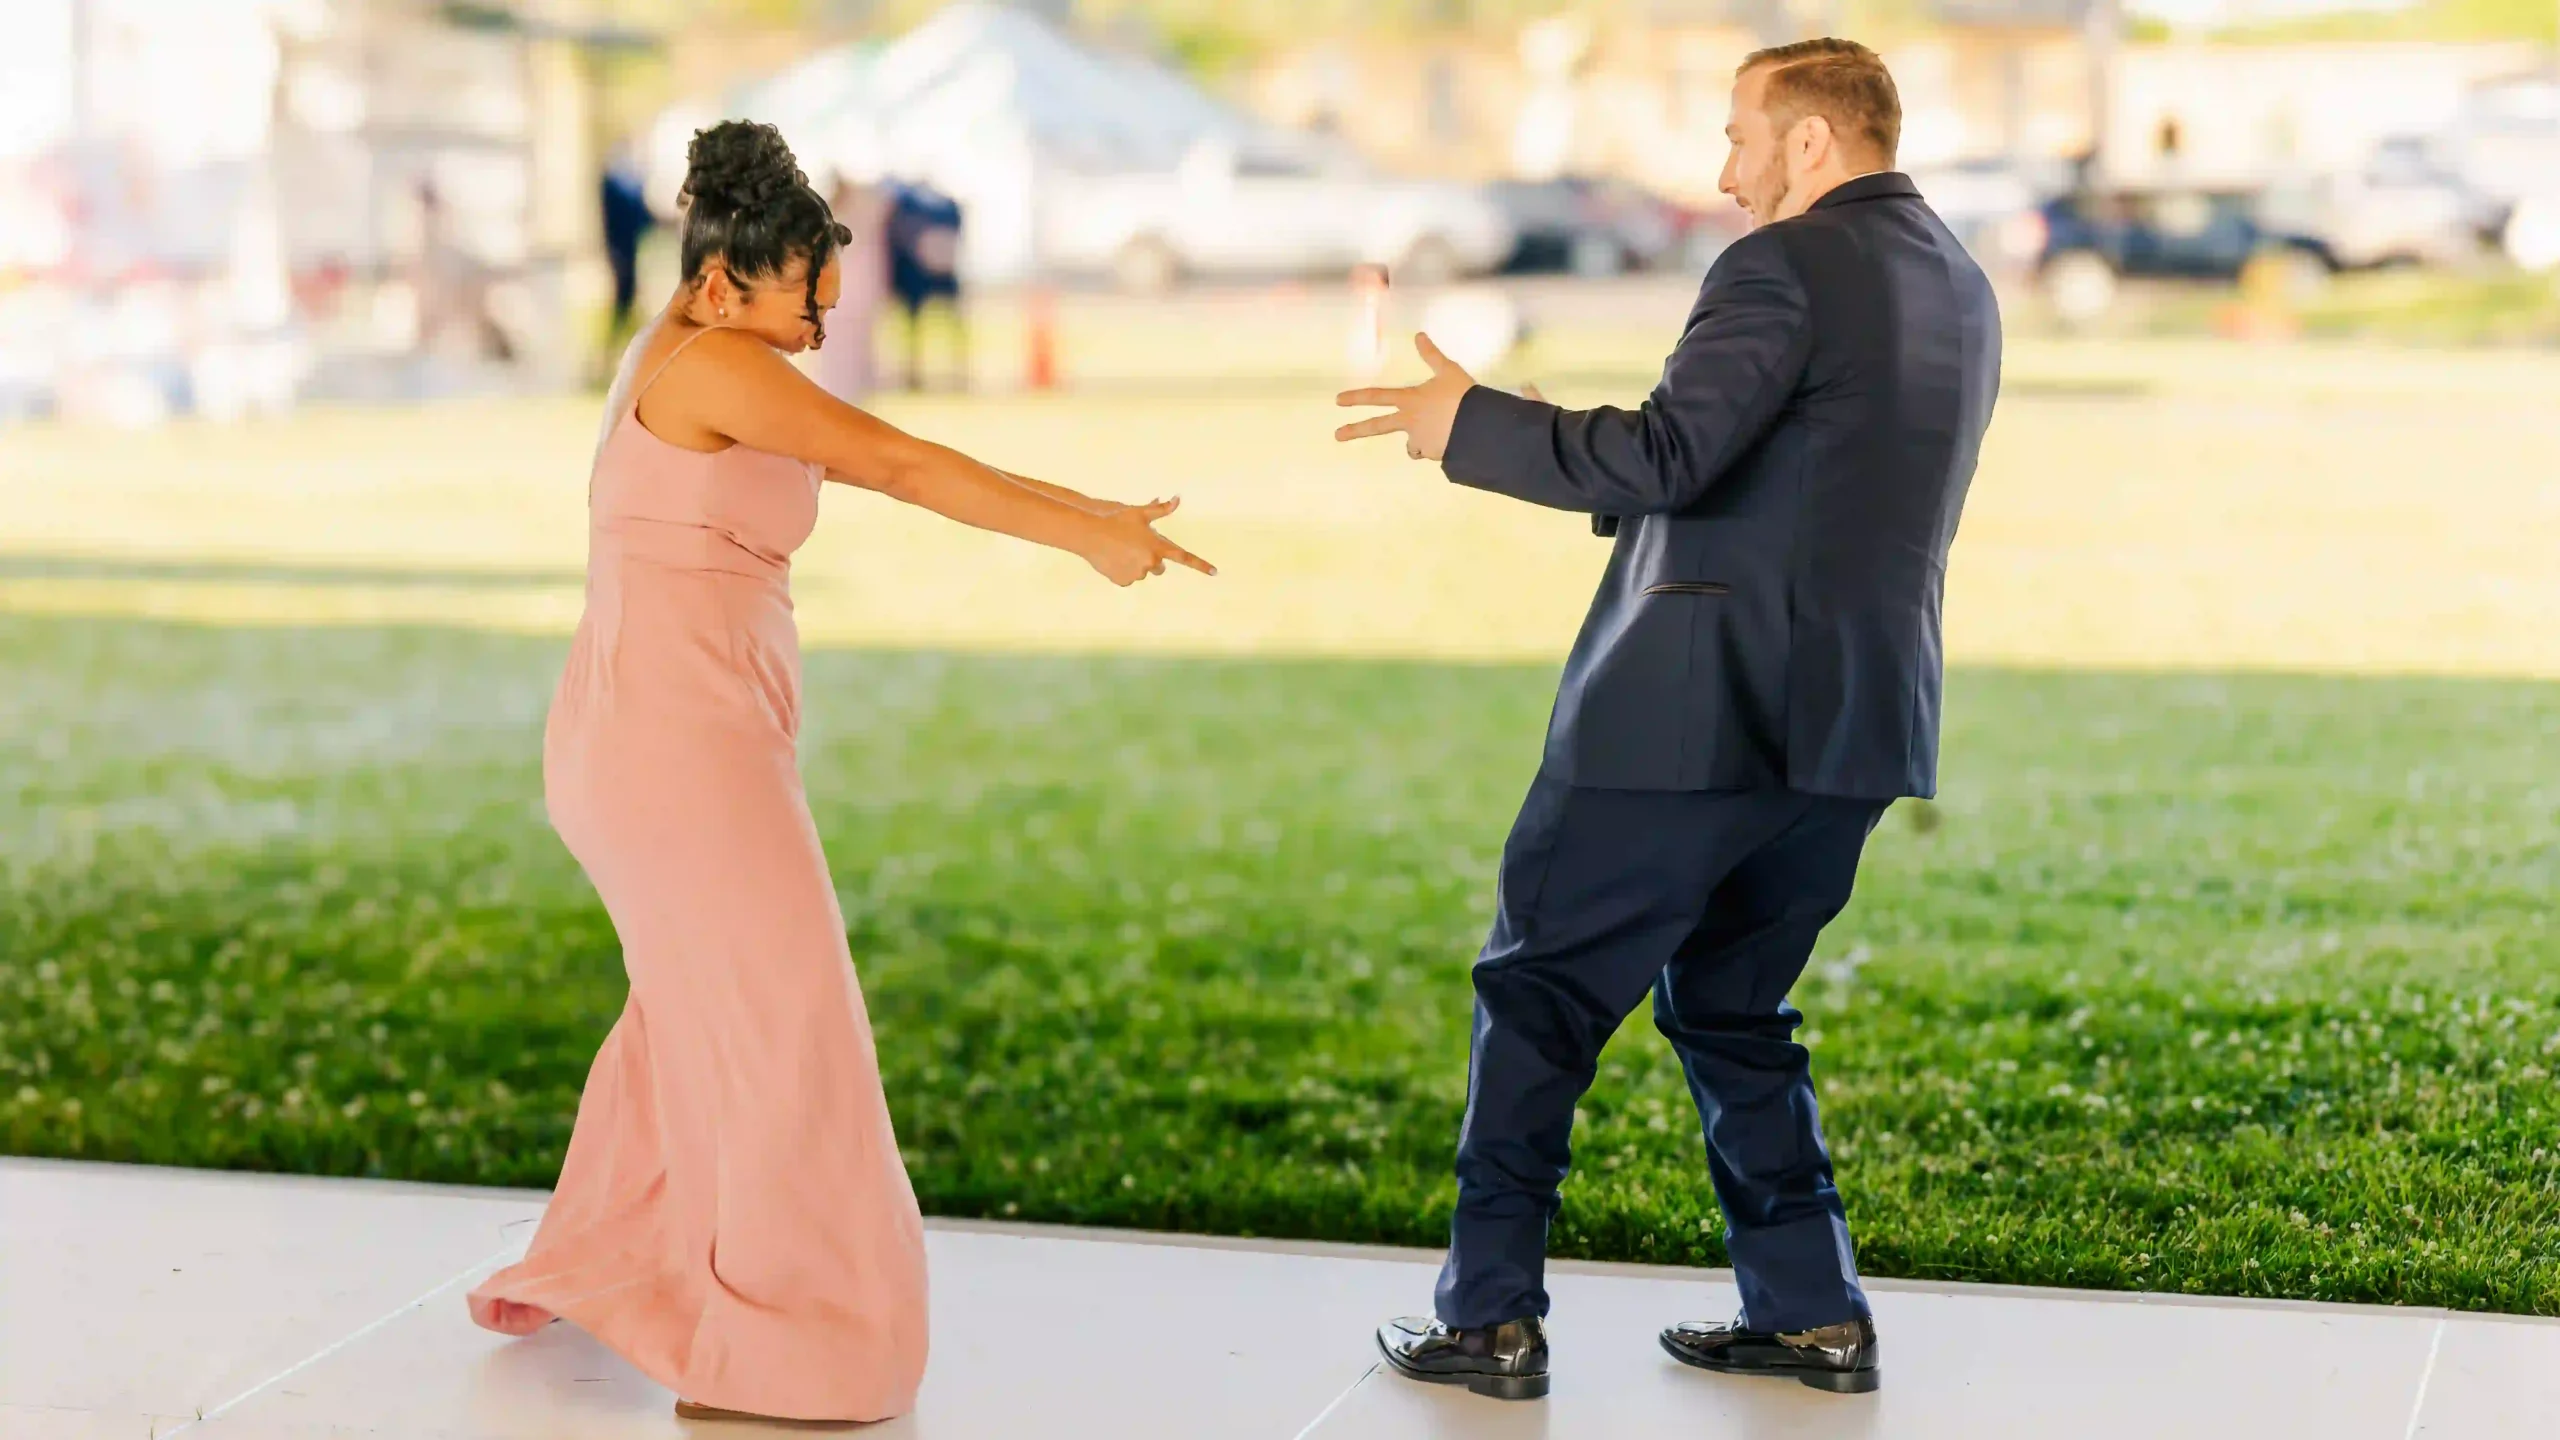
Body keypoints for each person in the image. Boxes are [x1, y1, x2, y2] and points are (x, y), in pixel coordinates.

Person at [465, 120, 1211, 1425]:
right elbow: (902, 464)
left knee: (710, 1022)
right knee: (787, 1033)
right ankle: (779, 1352)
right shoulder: (712, 366)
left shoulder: (698, 342)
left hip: (679, 738)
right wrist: (1092, 529)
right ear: (714, 284)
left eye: (825, 304)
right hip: (671, 755)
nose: (816, 331)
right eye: (801, 305)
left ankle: (626, 1272)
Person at [1336, 38, 2000, 1402]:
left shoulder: (1781, 264)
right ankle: (1810, 1311)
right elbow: (1768, 466)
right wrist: (1520, 419)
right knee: (1733, 1004)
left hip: (1694, 716)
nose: (1726, 172)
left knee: (1538, 993)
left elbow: (1670, 455)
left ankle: (1491, 1319)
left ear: (1811, 142)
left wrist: (1467, 426)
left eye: (1740, 135)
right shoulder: (1958, 281)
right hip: (1852, 726)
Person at [812, 171, 891, 405]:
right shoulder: (827, 221)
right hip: (840, 300)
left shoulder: (865, 214)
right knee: (835, 352)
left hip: (857, 298)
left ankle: (851, 396)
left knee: (855, 352)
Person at [884, 179, 965, 391]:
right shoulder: (906, 205)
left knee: (953, 324)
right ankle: (913, 374)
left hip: (941, 272)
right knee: (912, 328)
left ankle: (957, 372)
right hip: (913, 274)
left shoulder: (946, 207)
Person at [599, 139, 655, 355]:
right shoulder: (616, 183)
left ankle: (628, 353)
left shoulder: (619, 182)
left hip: (626, 250)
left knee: (628, 304)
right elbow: (637, 212)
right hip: (621, 251)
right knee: (624, 303)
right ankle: (616, 355)